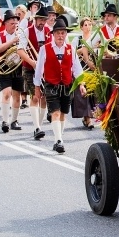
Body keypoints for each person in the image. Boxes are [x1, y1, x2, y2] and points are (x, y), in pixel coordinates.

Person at [33, 19, 85, 153]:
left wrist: (81, 84)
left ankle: (59, 138)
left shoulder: (70, 49)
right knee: (55, 113)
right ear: (53, 35)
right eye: (58, 33)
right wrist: (37, 88)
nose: (61, 36)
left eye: (63, 33)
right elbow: (38, 70)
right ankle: (58, 141)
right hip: (51, 86)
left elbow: (77, 69)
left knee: (62, 114)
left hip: (67, 86)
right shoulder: (45, 49)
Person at [18, 5, 51, 139]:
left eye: (44, 20)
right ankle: (36, 127)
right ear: (35, 19)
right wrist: (32, 62)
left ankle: (40, 125)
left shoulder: (49, 31)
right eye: (40, 20)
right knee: (35, 96)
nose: (42, 23)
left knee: (43, 98)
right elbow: (20, 50)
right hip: (30, 68)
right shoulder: (26, 31)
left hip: (45, 69)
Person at [0, 10, 23, 133]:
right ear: (5, 23)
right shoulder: (0, 35)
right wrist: (12, 41)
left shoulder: (21, 35)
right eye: (12, 23)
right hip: (4, 68)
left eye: (16, 22)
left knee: (17, 96)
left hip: (18, 67)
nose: (15, 25)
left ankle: (14, 120)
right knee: (6, 93)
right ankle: (5, 121)